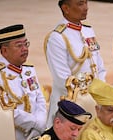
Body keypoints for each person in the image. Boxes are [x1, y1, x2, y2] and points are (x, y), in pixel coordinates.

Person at [44, 0, 106, 128]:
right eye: (80, 4)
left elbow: (99, 66)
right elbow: (62, 80)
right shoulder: (57, 38)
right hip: (70, 105)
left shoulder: (88, 30)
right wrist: (88, 95)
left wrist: (101, 92)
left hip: (94, 100)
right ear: (66, 8)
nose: (86, 8)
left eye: (86, 3)